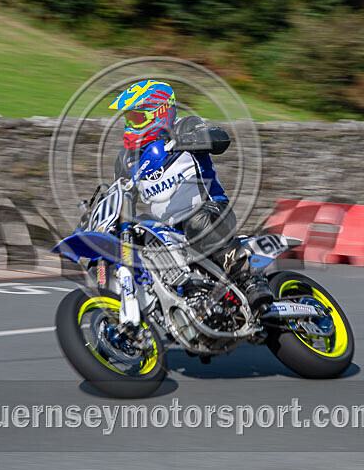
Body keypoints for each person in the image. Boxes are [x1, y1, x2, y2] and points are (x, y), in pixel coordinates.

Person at [108, 80, 272, 310]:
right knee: (139, 230)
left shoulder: (184, 127)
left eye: (137, 119)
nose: (131, 125)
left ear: (161, 113)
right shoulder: (126, 160)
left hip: (210, 210)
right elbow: (121, 197)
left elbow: (219, 138)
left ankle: (250, 278)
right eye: (129, 119)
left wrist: (186, 141)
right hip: (170, 231)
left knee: (197, 221)